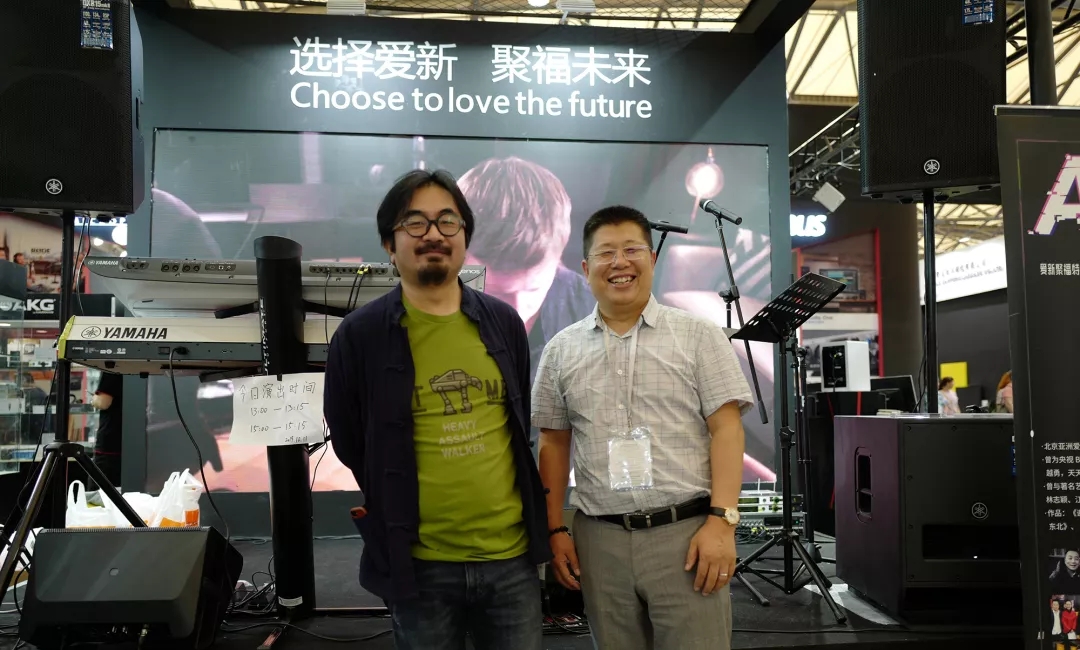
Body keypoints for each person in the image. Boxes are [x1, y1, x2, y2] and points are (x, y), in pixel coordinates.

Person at [323, 169, 549, 650]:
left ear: (464, 238)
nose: (433, 234)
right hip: (419, 564)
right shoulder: (360, 336)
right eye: (415, 222)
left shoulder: (503, 322)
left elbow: (518, 422)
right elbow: (349, 439)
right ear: (390, 244)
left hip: (510, 560)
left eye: (448, 221)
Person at [532, 205, 753, 650]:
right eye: (606, 253)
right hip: (599, 542)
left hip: (687, 536)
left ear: (651, 259)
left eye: (632, 250)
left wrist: (723, 522)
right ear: (586, 268)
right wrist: (555, 530)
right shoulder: (561, 350)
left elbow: (727, 431)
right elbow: (553, 443)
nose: (620, 263)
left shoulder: (699, 335)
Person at [458, 156, 595, 379]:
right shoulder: (412, 313)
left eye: (534, 290)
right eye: (496, 293)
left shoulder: (596, 313)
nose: (519, 315)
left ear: (558, 257)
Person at [91, 371, 124, 487]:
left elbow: (103, 402)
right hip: (134, 444)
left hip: (110, 445)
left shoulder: (112, 368)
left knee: (98, 494)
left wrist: (94, 400)